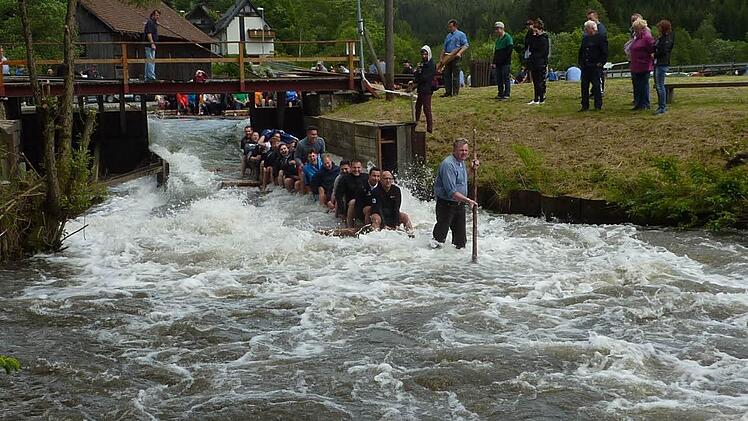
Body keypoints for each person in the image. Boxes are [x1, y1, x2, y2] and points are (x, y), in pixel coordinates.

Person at [432, 138, 479, 249]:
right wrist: (468, 200)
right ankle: (433, 257)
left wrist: (472, 169)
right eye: (461, 150)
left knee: (460, 240)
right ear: (454, 150)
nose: (464, 153)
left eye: (466, 150)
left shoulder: (461, 163)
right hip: (446, 205)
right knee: (440, 237)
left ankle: (458, 262)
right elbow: (451, 192)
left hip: (459, 205)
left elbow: (461, 180)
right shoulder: (448, 165)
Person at [578, 20, 608, 111]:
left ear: (592, 29)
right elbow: (581, 51)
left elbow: (604, 52)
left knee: (596, 86)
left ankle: (598, 105)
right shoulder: (585, 39)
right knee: (584, 86)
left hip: (595, 66)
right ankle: (584, 105)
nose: (585, 30)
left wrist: (600, 63)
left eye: (586, 28)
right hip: (585, 66)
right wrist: (580, 62)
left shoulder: (601, 38)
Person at [629, 18, 655, 111]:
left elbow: (652, 50)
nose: (635, 31)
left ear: (642, 28)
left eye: (636, 29)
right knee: (638, 86)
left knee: (643, 85)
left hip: (644, 65)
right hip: (635, 65)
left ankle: (645, 104)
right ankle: (638, 103)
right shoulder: (637, 38)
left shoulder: (647, 38)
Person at [440, 19, 469, 97]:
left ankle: (455, 92)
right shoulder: (448, 36)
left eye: (451, 27)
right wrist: (441, 58)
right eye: (448, 27)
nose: (449, 28)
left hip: (456, 56)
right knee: (446, 74)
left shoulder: (461, 34)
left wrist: (459, 53)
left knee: (455, 75)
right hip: (447, 56)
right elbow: (444, 48)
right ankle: (448, 92)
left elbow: (466, 45)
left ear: (455, 26)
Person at [336, 160, 369, 227]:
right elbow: (338, 195)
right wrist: (342, 211)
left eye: (358, 167)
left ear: (361, 168)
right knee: (353, 202)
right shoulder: (344, 179)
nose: (356, 170)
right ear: (351, 168)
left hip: (364, 204)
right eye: (354, 167)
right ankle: (350, 226)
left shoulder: (366, 177)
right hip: (351, 205)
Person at [412, 45, 436, 133]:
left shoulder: (431, 64)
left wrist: (419, 74)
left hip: (427, 89)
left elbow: (426, 77)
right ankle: (415, 123)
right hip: (421, 89)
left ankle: (430, 128)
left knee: (427, 109)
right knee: (417, 107)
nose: (424, 56)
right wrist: (417, 72)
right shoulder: (422, 64)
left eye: (425, 54)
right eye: (422, 54)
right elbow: (418, 75)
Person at [654, 20, 675, 115]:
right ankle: (661, 106)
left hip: (662, 63)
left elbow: (664, 51)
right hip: (659, 63)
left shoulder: (666, 38)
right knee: (658, 85)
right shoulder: (663, 37)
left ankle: (662, 107)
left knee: (660, 85)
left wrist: (654, 55)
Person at [526, 19, 549, 104]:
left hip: (540, 62)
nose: (535, 32)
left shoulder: (544, 38)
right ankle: (536, 98)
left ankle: (541, 98)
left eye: (536, 30)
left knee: (540, 81)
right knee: (535, 81)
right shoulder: (534, 38)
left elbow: (544, 52)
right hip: (534, 61)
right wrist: (533, 36)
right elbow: (531, 47)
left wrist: (544, 62)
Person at [585, 10, 608, 95]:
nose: (589, 21)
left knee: (599, 74)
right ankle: (594, 90)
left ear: (596, 17)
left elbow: (603, 45)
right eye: (588, 19)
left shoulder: (601, 29)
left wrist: (602, 60)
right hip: (591, 58)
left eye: (591, 18)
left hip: (598, 57)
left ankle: (600, 91)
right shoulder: (589, 28)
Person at [491, 21, 513, 100]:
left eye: (497, 29)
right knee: (499, 78)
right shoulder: (497, 40)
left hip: (505, 62)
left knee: (505, 78)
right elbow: (496, 52)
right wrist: (494, 62)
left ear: (502, 28)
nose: (496, 31)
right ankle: (500, 93)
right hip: (498, 62)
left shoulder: (507, 37)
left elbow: (509, 50)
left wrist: (505, 59)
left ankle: (507, 94)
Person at [143, 10, 160, 81]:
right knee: (151, 60)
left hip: (150, 44)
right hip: (150, 45)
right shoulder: (150, 22)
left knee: (149, 60)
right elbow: (149, 33)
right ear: (153, 15)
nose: (158, 17)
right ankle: (151, 76)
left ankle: (147, 76)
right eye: (156, 15)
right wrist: (152, 43)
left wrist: (156, 24)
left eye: (158, 15)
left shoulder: (153, 23)